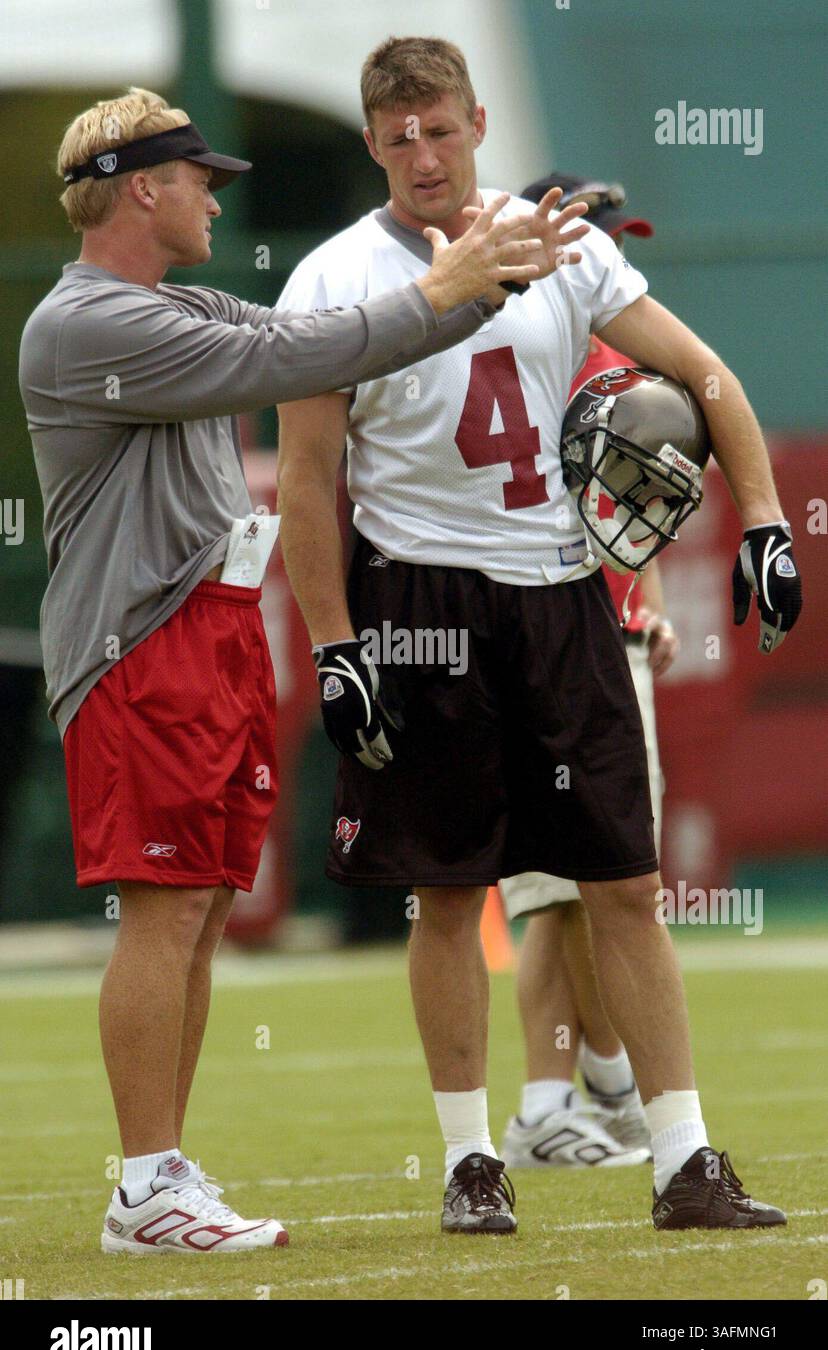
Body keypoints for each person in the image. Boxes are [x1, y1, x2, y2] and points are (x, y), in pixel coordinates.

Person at [18, 85, 561, 1255]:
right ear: (144, 188)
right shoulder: (88, 325)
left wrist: (475, 283)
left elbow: (299, 341)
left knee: (201, 910)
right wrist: (452, 284)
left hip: (206, 638)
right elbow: (312, 352)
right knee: (164, 913)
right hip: (141, 647)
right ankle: (145, 1185)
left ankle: (160, 1171)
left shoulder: (169, 303)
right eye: (199, 178)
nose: (216, 196)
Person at [276, 36, 801, 1235]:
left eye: (441, 128)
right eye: (398, 135)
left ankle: (683, 1155)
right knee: (448, 895)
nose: (423, 153)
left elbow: (704, 375)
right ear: (372, 144)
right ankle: (472, 1158)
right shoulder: (331, 278)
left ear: (475, 124)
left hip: (563, 596)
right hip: (420, 608)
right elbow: (308, 483)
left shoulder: (562, 243)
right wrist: (334, 640)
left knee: (626, 883)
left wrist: (765, 513)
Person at [499, 174, 676, 1169]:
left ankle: (575, 1089)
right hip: (543, 645)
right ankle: (564, 1093)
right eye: (599, 237)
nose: (612, 256)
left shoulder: (607, 350)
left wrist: (637, 613)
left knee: (588, 887)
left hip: (600, 639)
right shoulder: (551, 353)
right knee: (560, 890)